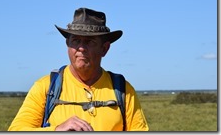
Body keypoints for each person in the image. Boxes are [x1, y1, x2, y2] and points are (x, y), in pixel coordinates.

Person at [8, 7, 149, 131]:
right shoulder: (46, 87)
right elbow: (16, 130)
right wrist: (57, 130)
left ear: (104, 49)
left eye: (90, 42)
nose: (81, 48)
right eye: (76, 40)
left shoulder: (123, 90)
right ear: (67, 45)